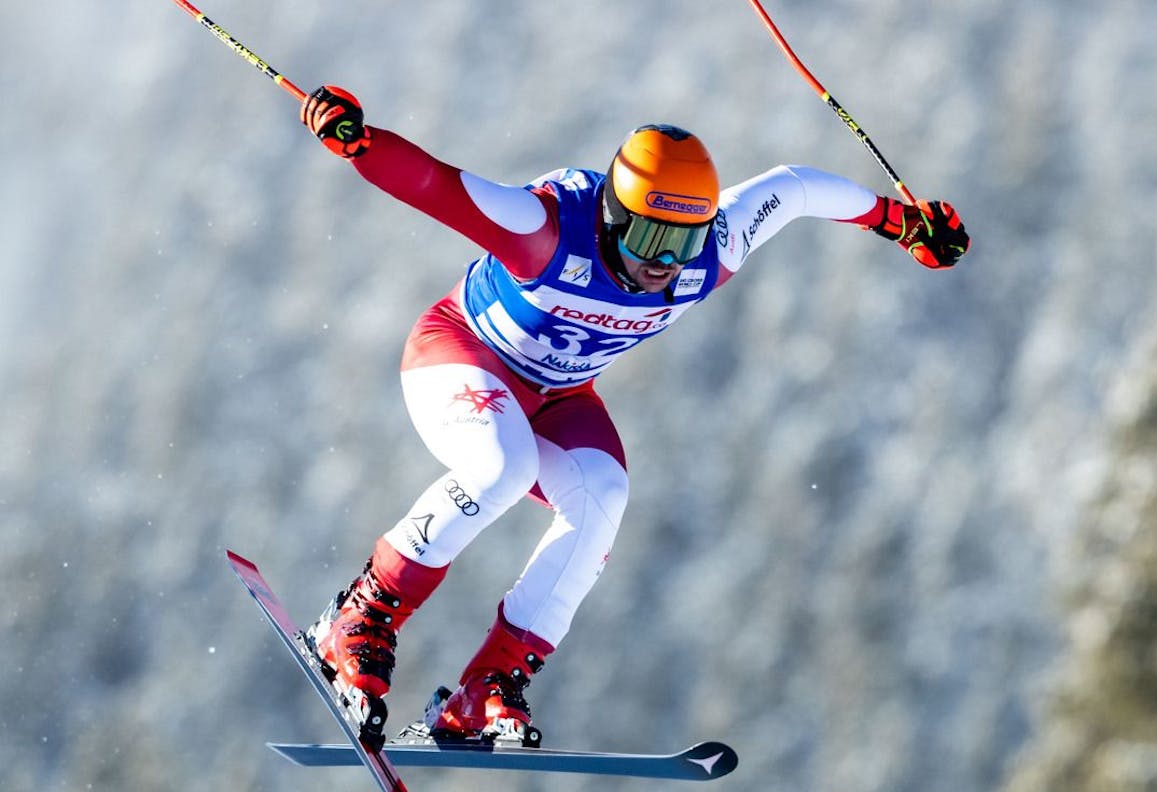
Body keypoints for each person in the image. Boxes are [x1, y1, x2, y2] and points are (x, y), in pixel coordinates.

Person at [294, 85, 970, 747]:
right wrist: (360, 143)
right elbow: (435, 185)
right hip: (459, 358)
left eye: (683, 239)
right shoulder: (548, 229)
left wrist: (902, 222)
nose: (664, 263)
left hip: (556, 395)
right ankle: (360, 615)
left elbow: (793, 190)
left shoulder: (712, 252)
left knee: (602, 495)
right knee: (503, 466)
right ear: (616, 215)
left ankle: (486, 686)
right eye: (649, 236)